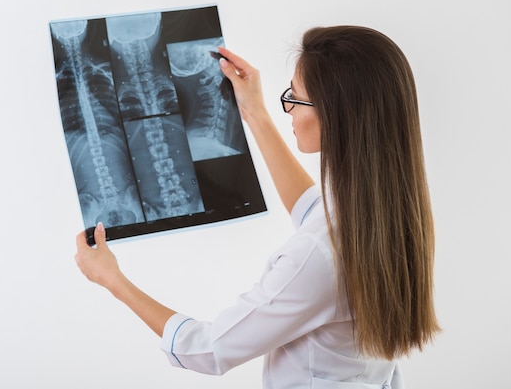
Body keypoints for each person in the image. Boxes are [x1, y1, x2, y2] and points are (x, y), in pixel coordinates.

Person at [75, 25, 440, 388]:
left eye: (295, 98)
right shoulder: (395, 217)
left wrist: (112, 280)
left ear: (335, 114)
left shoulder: (318, 256)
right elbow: (312, 210)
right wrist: (255, 112)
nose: (289, 109)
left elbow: (206, 350)